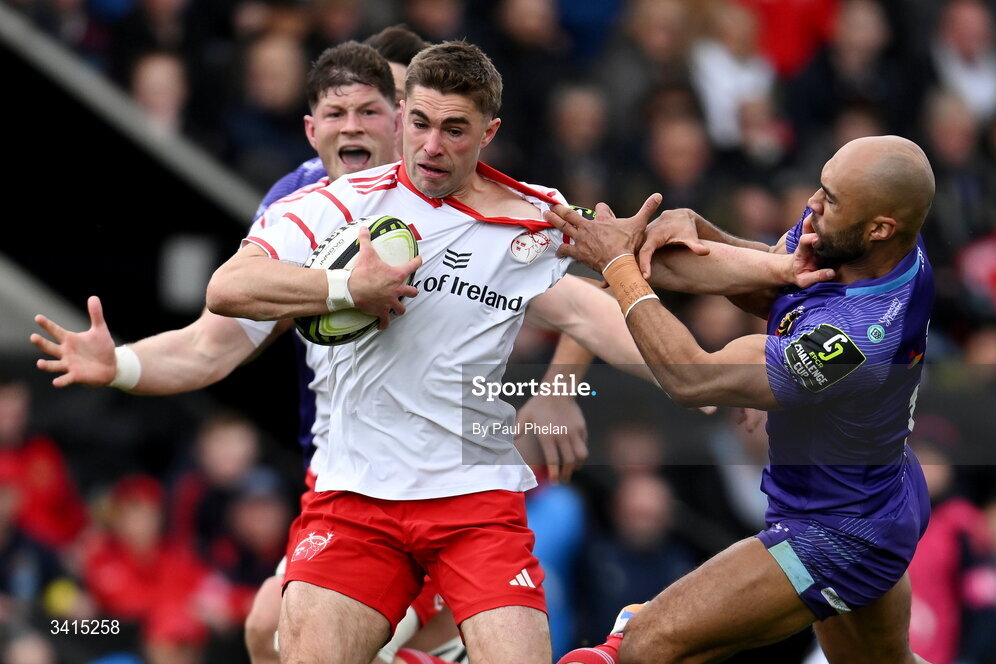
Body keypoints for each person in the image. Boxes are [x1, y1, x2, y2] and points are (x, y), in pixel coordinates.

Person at [204, 39, 826, 664]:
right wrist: (345, 286)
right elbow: (230, 286)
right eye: (418, 124)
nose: (431, 147)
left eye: (454, 129)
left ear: (489, 131)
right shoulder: (338, 204)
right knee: (280, 640)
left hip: (474, 503)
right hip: (356, 501)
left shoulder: (532, 217)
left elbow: (660, 264)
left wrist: (780, 269)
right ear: (401, 117)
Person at [30, 33, 595, 664]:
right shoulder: (299, 206)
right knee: (264, 631)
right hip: (345, 478)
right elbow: (212, 344)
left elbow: (581, 282)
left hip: (455, 483)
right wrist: (122, 364)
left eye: (374, 111)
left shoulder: (469, 193)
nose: (356, 128)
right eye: (336, 113)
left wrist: (561, 387)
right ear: (310, 129)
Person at [545, 134, 936, 664]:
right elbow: (776, 280)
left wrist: (618, 266)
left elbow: (694, 381)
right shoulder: (869, 242)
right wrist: (696, 234)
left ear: (880, 227)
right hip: (878, 501)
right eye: (821, 187)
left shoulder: (859, 340)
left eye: (831, 199)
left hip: (834, 533)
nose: (812, 207)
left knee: (641, 648)